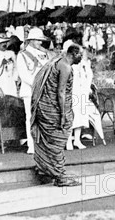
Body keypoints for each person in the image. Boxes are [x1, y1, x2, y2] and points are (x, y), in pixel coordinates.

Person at [30, 45, 83, 187]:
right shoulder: (65, 66)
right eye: (81, 55)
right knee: (57, 141)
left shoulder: (56, 61)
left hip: (44, 107)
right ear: (74, 54)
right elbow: (61, 92)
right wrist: (63, 114)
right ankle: (60, 176)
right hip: (52, 110)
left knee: (48, 141)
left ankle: (45, 170)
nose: (82, 58)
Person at [17, 28, 52, 154]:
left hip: (43, 91)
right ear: (31, 40)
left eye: (41, 40)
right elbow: (24, 75)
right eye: (38, 40)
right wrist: (37, 85)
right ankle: (32, 145)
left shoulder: (43, 55)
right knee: (31, 118)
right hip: (30, 91)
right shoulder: (22, 55)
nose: (40, 43)